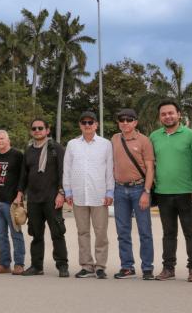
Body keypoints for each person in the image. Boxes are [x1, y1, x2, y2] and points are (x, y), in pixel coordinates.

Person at [150, 100, 192, 282]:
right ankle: (168, 268)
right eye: (163, 114)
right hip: (163, 193)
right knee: (168, 233)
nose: (167, 116)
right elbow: (150, 164)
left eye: (171, 113)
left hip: (187, 192)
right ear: (160, 117)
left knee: (191, 232)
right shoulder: (154, 136)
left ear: (179, 114)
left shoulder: (191, 135)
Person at [63, 111, 114, 279]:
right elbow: (67, 169)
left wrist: (109, 191)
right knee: (82, 232)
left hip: (99, 194)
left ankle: (100, 266)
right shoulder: (72, 144)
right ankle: (86, 265)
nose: (87, 125)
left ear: (96, 124)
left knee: (101, 232)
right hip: (78, 194)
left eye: (90, 122)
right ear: (80, 125)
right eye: (84, 122)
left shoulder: (105, 144)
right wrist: (68, 191)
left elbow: (109, 169)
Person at [17, 119, 69, 278]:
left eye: (41, 128)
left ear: (47, 130)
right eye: (34, 128)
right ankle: (36, 266)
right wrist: (20, 192)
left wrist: (61, 193)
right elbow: (23, 175)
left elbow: (63, 172)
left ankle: (62, 265)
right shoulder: (29, 150)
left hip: (52, 199)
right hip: (34, 199)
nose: (37, 130)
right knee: (36, 234)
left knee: (57, 233)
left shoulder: (56, 148)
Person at [110, 108, 155, 280]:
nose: (125, 123)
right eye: (122, 120)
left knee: (145, 231)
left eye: (129, 120)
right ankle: (127, 267)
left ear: (135, 122)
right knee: (122, 231)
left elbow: (150, 168)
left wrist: (146, 191)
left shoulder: (144, 141)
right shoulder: (114, 139)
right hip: (119, 189)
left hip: (139, 189)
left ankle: (147, 268)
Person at [0, 130, 25, 275]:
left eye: (1, 138)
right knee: (1, 235)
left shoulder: (17, 155)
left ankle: (19, 264)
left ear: (8, 140)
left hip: (11, 202)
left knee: (16, 234)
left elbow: (23, 177)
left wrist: (19, 196)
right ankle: (4, 264)